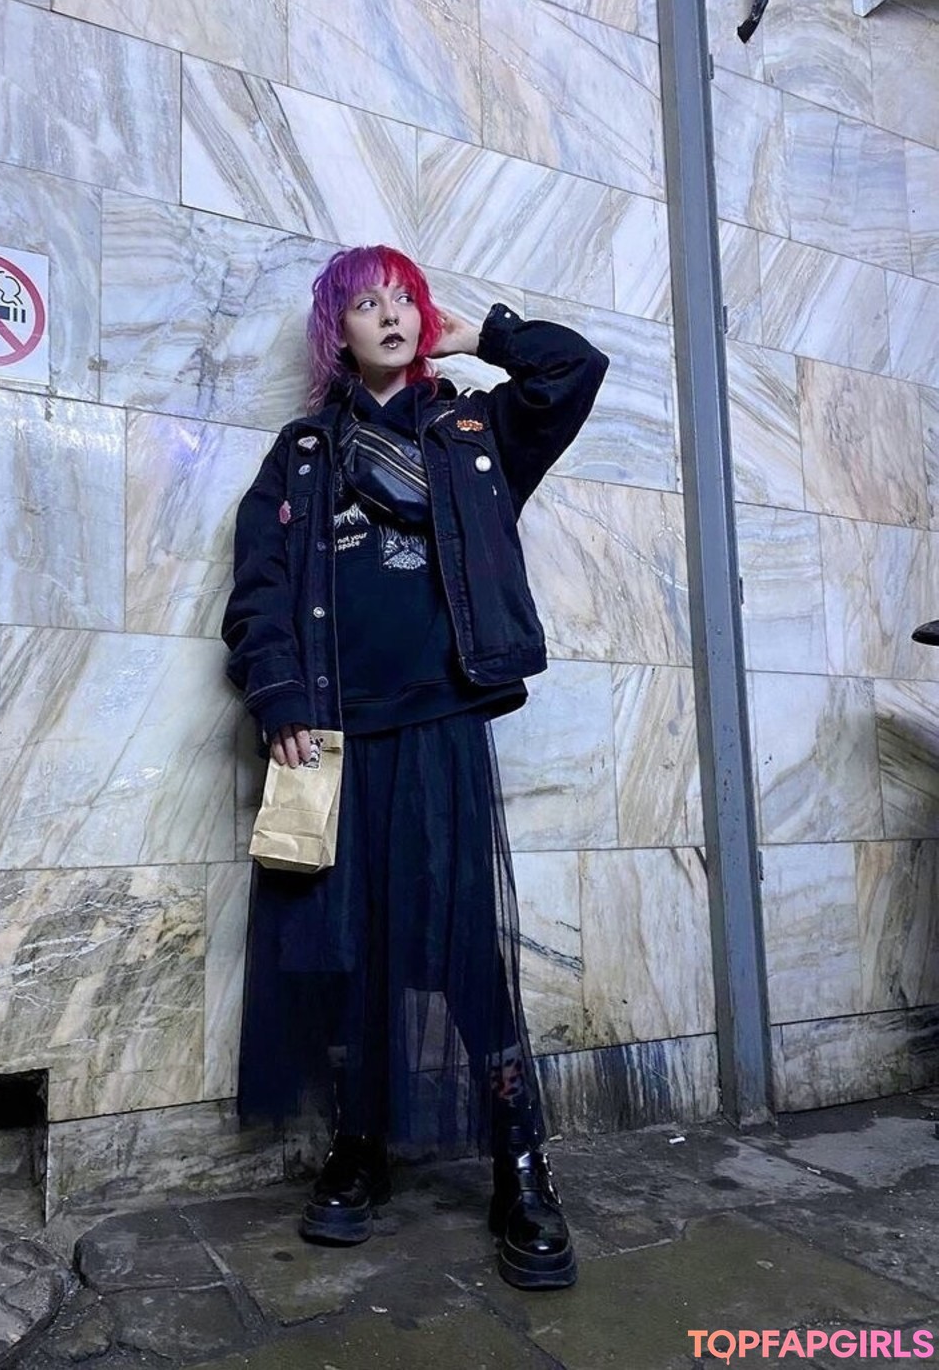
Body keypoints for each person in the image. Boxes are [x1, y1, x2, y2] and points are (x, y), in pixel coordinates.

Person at [222, 246, 609, 1290]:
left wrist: (479, 334)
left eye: (404, 298)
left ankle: (521, 1163)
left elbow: (574, 368)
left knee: (460, 943)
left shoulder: (475, 432)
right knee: (345, 944)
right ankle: (358, 1147)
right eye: (366, 303)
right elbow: (258, 588)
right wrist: (280, 697)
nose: (390, 314)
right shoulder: (304, 451)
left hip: (441, 723)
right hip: (337, 736)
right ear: (337, 332)